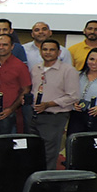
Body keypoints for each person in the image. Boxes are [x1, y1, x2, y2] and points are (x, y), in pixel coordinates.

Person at [30, 39, 79, 170]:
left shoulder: (68, 70)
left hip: (54, 117)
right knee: (34, 150)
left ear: (59, 52)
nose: (48, 52)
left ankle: (46, 180)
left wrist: (49, 104)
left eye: (52, 50)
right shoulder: (36, 68)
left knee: (49, 153)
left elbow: (73, 96)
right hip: (34, 115)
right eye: (45, 49)